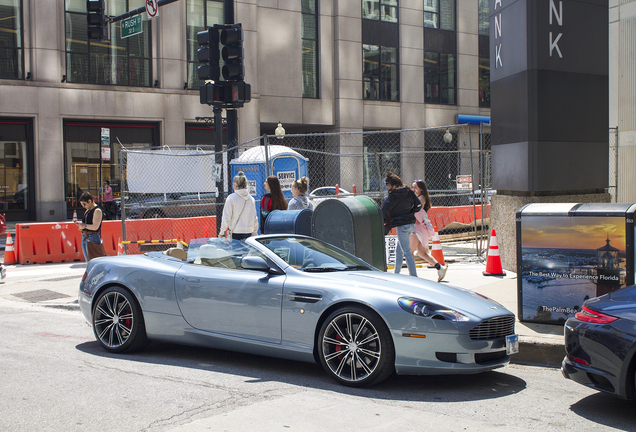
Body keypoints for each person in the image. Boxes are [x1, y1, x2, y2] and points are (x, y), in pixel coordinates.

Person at [381, 172, 421, 277]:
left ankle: (414, 276)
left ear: (393, 185)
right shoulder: (409, 192)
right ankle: (396, 274)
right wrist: (411, 213)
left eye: (388, 185)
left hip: (402, 226)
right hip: (410, 224)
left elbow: (384, 210)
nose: (387, 188)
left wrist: (387, 221)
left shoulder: (391, 196)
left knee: (407, 252)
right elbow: (418, 205)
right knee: (399, 250)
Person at [411, 179, 448, 282]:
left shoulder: (421, 198)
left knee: (409, 252)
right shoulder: (420, 197)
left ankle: (412, 275)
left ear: (421, 189)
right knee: (422, 253)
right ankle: (440, 267)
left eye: (415, 187)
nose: (413, 189)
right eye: (412, 187)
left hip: (417, 228)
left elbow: (417, 211)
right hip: (421, 228)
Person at [219, 171, 259, 241]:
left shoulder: (231, 198)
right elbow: (254, 217)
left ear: (235, 185)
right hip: (248, 231)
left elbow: (226, 216)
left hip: (236, 231)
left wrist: (222, 231)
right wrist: (255, 232)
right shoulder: (251, 199)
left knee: (236, 251)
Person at [75, 192, 103, 261]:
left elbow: (95, 227)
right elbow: (86, 223)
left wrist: (84, 226)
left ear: (89, 201)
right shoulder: (87, 211)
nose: (83, 206)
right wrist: (81, 225)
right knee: (88, 261)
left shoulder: (97, 210)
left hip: (92, 236)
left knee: (94, 261)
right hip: (85, 236)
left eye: (84, 204)